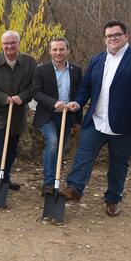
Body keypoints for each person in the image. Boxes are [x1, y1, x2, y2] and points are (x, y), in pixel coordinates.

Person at [60, 20, 131, 217]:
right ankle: (74, 189)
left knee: (118, 163)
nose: (112, 39)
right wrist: (78, 102)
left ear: (126, 36)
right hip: (96, 120)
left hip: (127, 124)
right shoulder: (97, 59)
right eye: (109, 36)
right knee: (83, 155)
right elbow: (86, 86)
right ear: (104, 39)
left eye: (117, 35)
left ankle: (113, 200)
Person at [0, 30, 36, 190]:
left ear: (18, 44)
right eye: (6, 43)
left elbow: (35, 85)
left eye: (13, 43)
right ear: (2, 45)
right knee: (1, 134)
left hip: (18, 109)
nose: (9, 46)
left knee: (12, 143)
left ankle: (5, 177)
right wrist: (3, 97)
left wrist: (22, 97)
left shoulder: (30, 63)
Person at [32, 37, 83, 195]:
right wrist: (53, 103)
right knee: (53, 143)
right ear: (50, 51)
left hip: (67, 116)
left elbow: (78, 94)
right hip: (48, 115)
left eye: (61, 49)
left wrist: (77, 120)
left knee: (61, 149)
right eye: (55, 49)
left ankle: (56, 179)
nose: (58, 52)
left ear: (68, 51)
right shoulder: (41, 69)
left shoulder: (76, 70)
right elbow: (36, 92)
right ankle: (48, 184)